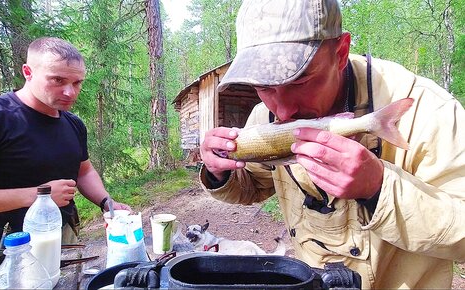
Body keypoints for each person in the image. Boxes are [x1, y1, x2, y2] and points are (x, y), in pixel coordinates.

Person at [199, 0, 465, 289]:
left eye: (299, 81)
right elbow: (253, 184)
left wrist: (378, 188)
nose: (283, 111)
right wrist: (219, 172)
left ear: (340, 52)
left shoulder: (427, 111)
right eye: (264, 87)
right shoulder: (264, 116)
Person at [0, 37, 132, 285]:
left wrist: (106, 202)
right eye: (58, 80)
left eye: (77, 82)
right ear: (28, 72)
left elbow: (84, 171)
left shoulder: (73, 124)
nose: (70, 92)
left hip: (60, 240)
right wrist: (40, 196)